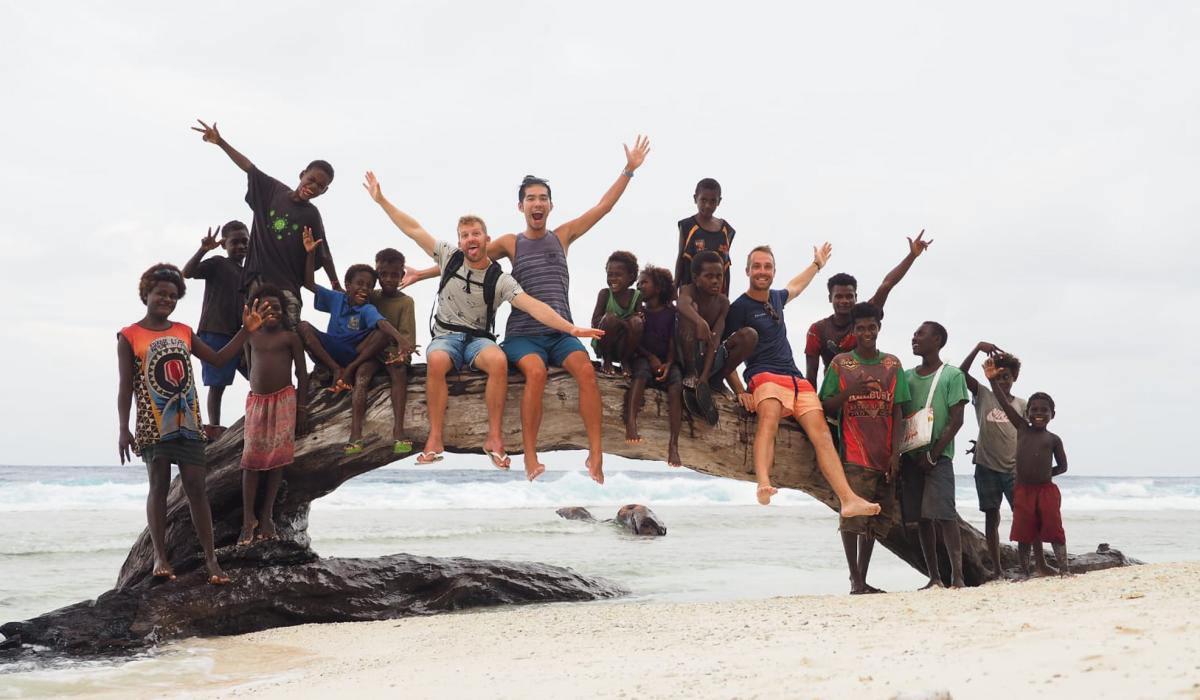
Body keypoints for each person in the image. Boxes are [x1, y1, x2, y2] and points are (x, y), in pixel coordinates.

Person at [362, 171, 603, 478]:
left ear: (487, 241)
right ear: (459, 242)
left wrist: (570, 329)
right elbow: (413, 229)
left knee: (498, 360)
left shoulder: (501, 279)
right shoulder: (449, 256)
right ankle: (434, 439)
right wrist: (382, 200)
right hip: (448, 335)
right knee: (437, 360)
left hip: (480, 338)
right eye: (465, 235)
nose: (470, 239)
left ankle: (495, 439)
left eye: (476, 234)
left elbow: (533, 305)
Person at [487, 136, 651, 484]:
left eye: (542, 198)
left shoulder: (562, 236)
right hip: (523, 336)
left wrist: (628, 170)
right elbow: (466, 258)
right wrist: (423, 272)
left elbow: (603, 207)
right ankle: (530, 457)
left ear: (550, 205)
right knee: (536, 373)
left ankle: (596, 454)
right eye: (530, 198)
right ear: (520, 206)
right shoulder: (511, 243)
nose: (537, 203)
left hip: (561, 333)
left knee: (587, 372)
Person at [117, 262, 266, 585]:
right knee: (158, 488)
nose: (167, 300)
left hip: (188, 423)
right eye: (161, 293)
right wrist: (123, 428)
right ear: (146, 293)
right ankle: (160, 557)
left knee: (197, 490)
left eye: (173, 296)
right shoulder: (129, 336)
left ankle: (212, 560)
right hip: (153, 424)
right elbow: (126, 386)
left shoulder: (183, 331)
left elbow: (219, 359)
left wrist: (246, 331)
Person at [722, 244, 881, 521]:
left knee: (822, 435)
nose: (762, 271)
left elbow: (796, 287)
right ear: (747, 271)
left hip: (796, 380)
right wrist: (739, 391)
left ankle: (848, 499)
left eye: (767, 266)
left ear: (774, 271)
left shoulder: (776, 298)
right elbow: (724, 352)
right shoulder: (739, 307)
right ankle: (763, 483)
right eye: (757, 266)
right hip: (764, 376)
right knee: (768, 420)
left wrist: (817, 265)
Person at [191, 119, 340, 327]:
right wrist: (220, 142)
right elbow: (249, 167)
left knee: (288, 334)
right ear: (302, 174)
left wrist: (336, 284)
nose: (313, 187)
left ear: (324, 191)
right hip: (257, 282)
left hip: (287, 287)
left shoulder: (311, 215)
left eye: (320, 186)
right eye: (311, 180)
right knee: (256, 335)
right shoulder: (273, 191)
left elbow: (324, 253)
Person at [818, 302, 910, 594]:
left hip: (884, 456)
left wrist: (895, 454)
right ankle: (854, 578)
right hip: (854, 454)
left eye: (872, 327)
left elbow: (899, 411)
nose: (867, 332)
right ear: (853, 330)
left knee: (874, 520)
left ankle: (863, 578)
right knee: (851, 519)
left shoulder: (892, 365)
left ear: (879, 328)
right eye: (860, 328)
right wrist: (849, 392)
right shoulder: (841, 363)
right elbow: (825, 404)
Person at [960, 343, 1052, 578]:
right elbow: (961, 373)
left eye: (1007, 377)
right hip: (986, 466)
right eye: (998, 376)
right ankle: (997, 570)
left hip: (1014, 469)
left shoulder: (1022, 405)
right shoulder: (983, 394)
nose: (1002, 381)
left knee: (1026, 517)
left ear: (1015, 378)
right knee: (992, 517)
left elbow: (1032, 434)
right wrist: (978, 348)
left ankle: (1037, 564)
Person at [296, 229, 413, 404]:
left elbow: (381, 322)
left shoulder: (367, 307)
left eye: (369, 286)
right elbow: (309, 283)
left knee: (382, 333)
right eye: (359, 284)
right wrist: (311, 254)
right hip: (332, 349)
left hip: (354, 353)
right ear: (347, 285)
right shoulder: (337, 298)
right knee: (302, 326)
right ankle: (335, 369)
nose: (364, 289)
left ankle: (349, 369)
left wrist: (400, 339)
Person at [804, 232, 933, 389]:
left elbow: (886, 285)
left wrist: (912, 256)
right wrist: (812, 403)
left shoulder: (865, 315)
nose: (844, 301)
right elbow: (811, 375)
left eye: (849, 296)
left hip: (871, 391)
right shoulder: (818, 330)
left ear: (856, 297)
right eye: (839, 296)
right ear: (830, 298)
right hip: (836, 396)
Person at [901, 321, 971, 589]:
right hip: (911, 456)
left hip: (939, 458)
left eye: (921, 334)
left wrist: (933, 454)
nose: (914, 337)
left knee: (945, 515)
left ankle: (957, 577)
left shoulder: (952, 375)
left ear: (937, 340)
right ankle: (934, 577)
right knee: (922, 519)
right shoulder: (907, 376)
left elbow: (956, 421)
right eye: (914, 333)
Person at [984, 359, 1069, 576]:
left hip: (1046, 491)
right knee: (1024, 532)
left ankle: (1065, 570)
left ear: (1053, 415)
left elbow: (1063, 466)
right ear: (1027, 412)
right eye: (1034, 409)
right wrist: (992, 381)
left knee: (1054, 529)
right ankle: (1025, 573)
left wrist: (1045, 475)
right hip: (1023, 491)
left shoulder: (1053, 439)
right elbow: (1004, 404)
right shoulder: (1022, 428)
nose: (1039, 413)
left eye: (1044, 410)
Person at [238, 285, 308, 546]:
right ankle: (248, 518)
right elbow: (249, 367)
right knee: (251, 461)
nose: (272, 312)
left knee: (277, 461)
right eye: (266, 308)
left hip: (284, 401)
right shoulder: (250, 337)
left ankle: (266, 515)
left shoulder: (290, 338)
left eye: (277, 308)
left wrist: (302, 408)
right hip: (257, 403)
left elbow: (302, 374)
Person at [182, 222, 250, 433]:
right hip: (214, 331)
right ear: (224, 244)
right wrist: (203, 250)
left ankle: (262, 415)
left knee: (256, 374)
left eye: (245, 242)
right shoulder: (219, 263)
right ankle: (214, 427)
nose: (240, 246)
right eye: (235, 242)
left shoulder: (249, 272)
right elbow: (187, 272)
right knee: (217, 385)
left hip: (240, 334)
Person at [349, 247, 418, 456]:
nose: (388, 279)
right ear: (377, 274)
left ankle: (398, 431)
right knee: (362, 375)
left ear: (402, 275)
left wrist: (400, 356)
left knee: (399, 372)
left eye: (394, 274)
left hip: (393, 353)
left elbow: (406, 337)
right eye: (383, 274)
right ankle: (355, 434)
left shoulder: (406, 302)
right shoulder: (371, 297)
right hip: (371, 352)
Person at [676, 250, 758, 424]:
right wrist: (700, 321)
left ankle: (716, 380)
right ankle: (691, 373)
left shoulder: (722, 302)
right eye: (709, 276)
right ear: (696, 278)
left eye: (719, 276)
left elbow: (715, 340)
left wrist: (705, 378)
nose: (715, 281)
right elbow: (682, 304)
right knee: (690, 315)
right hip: (685, 356)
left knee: (750, 335)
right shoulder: (688, 291)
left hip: (709, 357)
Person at [623, 265, 684, 468]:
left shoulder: (671, 313)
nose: (639, 286)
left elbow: (673, 342)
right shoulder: (639, 311)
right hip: (642, 356)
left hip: (665, 361)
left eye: (644, 282)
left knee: (676, 385)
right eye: (638, 283)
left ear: (658, 288)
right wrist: (650, 358)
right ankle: (631, 423)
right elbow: (634, 341)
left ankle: (673, 444)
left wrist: (668, 363)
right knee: (640, 374)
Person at [675, 178, 735, 295]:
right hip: (692, 292)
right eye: (703, 200)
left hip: (716, 294)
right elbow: (681, 258)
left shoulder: (726, 230)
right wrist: (675, 286)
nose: (707, 205)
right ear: (695, 198)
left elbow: (726, 265)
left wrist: (726, 297)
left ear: (719, 201)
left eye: (713, 201)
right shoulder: (687, 225)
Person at [590, 250, 643, 376]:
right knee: (610, 318)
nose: (613, 279)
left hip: (624, 344)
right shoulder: (605, 294)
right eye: (610, 275)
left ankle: (625, 361)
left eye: (618, 275)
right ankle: (606, 360)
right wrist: (622, 322)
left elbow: (638, 319)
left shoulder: (636, 296)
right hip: (605, 343)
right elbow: (595, 322)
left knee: (637, 322)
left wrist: (637, 320)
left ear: (631, 276)